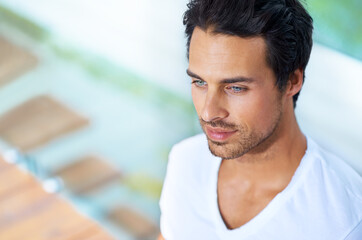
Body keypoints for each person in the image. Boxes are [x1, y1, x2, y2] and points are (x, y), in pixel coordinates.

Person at [158, 0, 362, 239]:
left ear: (292, 81)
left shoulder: (344, 218)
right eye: (200, 82)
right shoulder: (185, 162)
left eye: (235, 88)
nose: (208, 112)